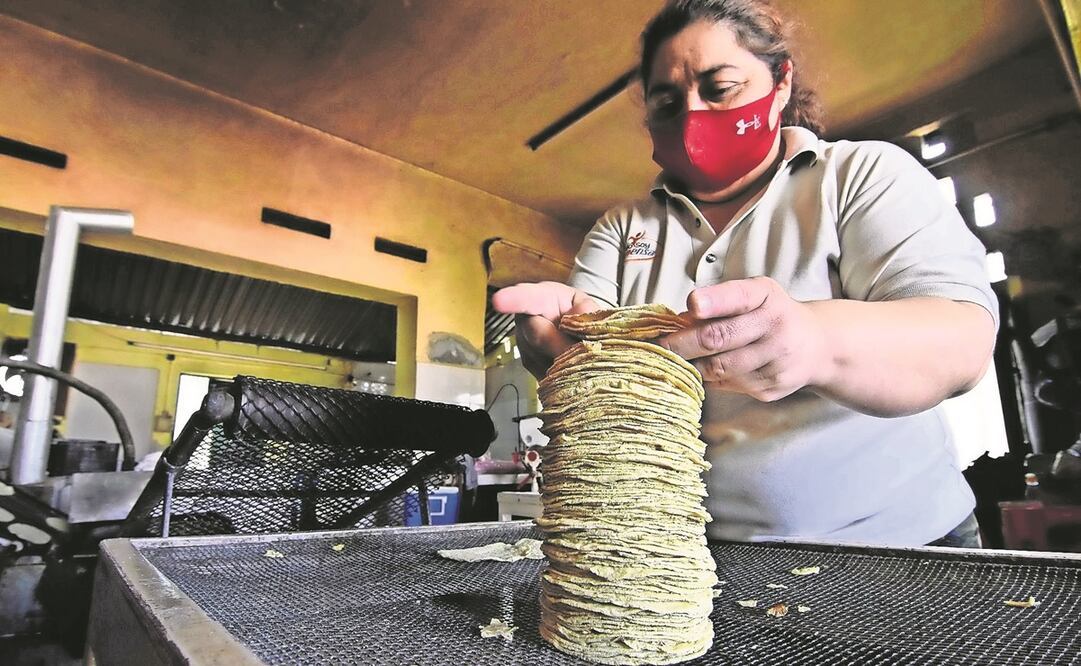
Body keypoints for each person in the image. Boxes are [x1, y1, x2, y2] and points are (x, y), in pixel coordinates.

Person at [493, 0, 998, 548]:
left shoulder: (860, 176)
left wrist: (814, 341)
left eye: (720, 87)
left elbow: (962, 342)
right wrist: (555, 346)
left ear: (780, 84)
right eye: (667, 101)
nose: (692, 114)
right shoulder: (621, 227)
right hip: (693, 559)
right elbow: (585, 355)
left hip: (900, 547)